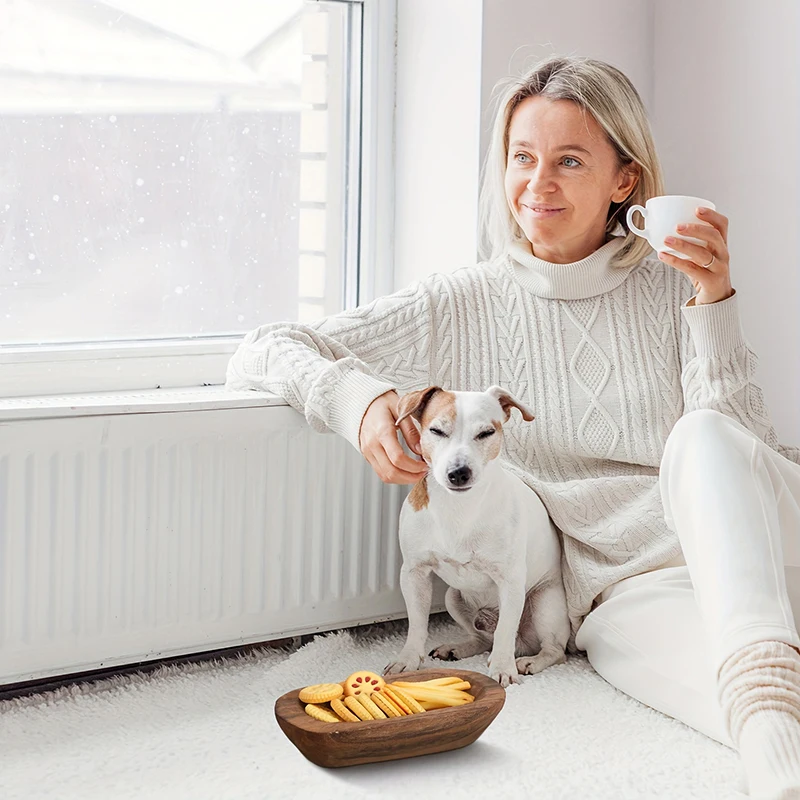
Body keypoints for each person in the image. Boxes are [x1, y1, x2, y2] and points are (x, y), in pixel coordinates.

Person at [227, 55, 800, 798]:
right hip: (622, 587)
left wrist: (713, 301)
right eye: (522, 158)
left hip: (763, 532)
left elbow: (744, 446)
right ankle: (777, 766)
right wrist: (361, 402)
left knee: (703, 437)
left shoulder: (674, 286)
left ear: (624, 180)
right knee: (743, 700)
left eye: (568, 160)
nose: (538, 183)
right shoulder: (460, 304)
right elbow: (263, 347)